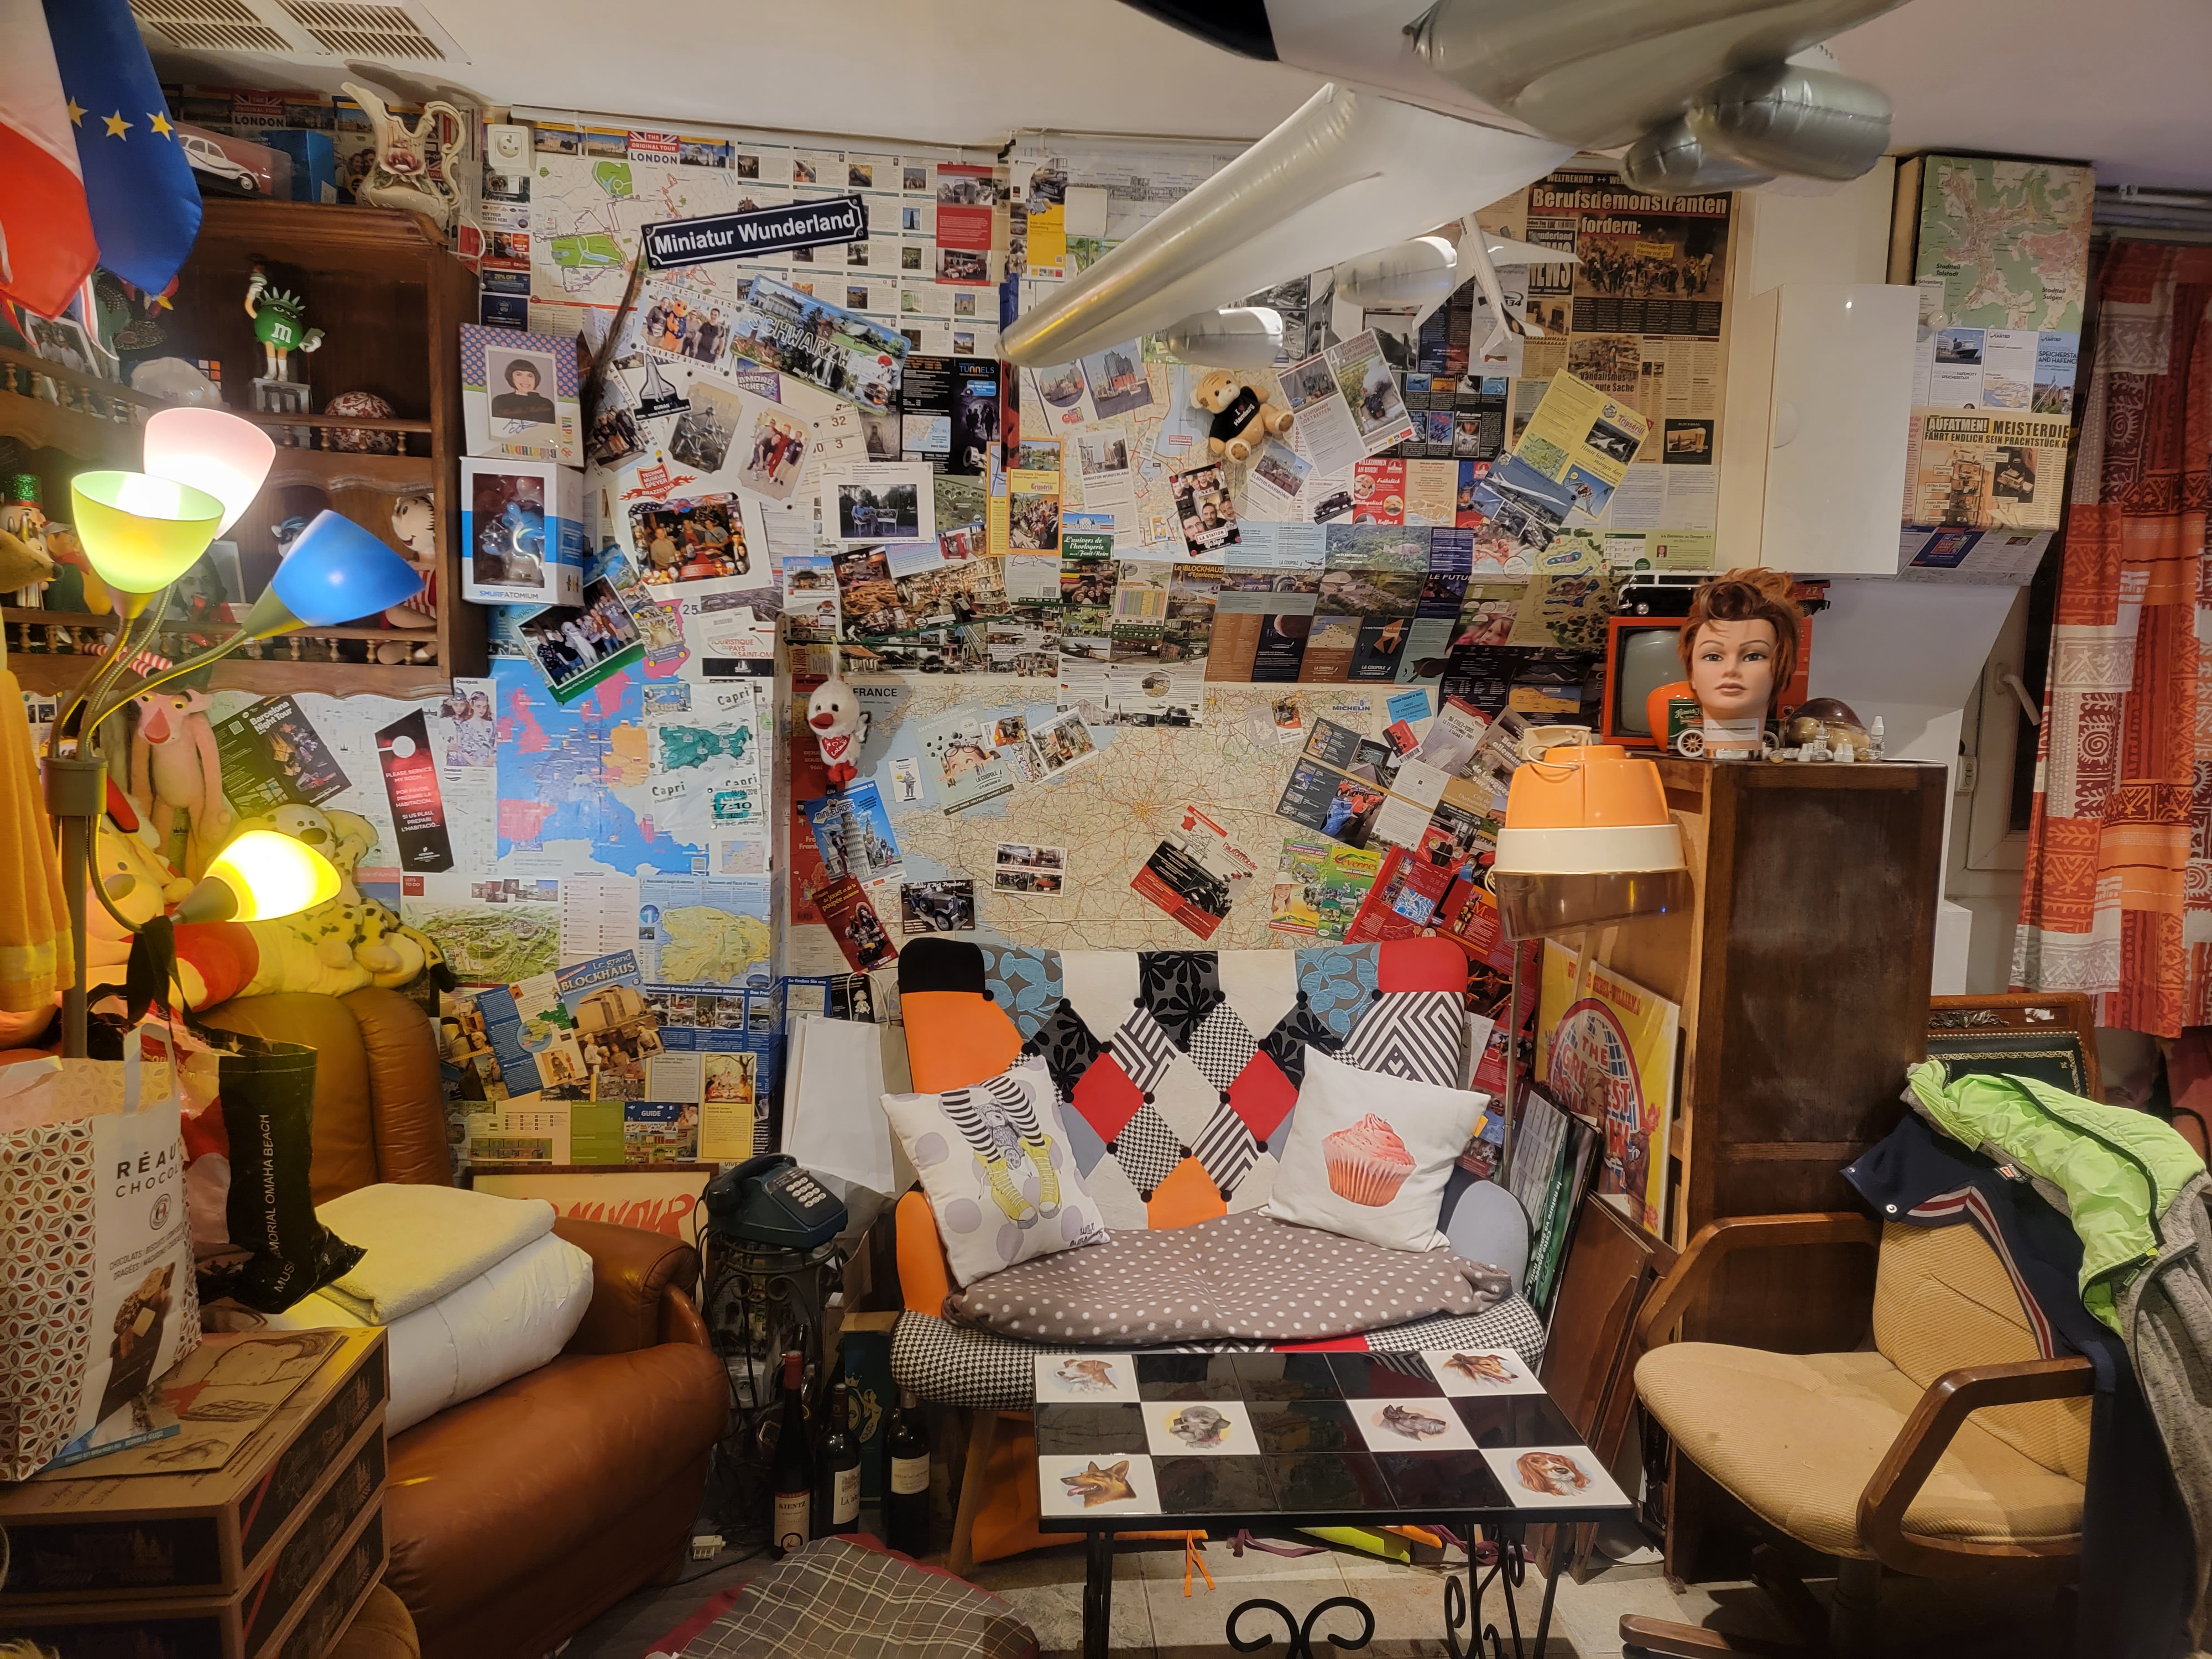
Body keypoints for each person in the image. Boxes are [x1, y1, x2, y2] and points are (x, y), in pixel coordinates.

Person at [491, 358, 557, 425]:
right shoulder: (500, 401)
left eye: (530, 376)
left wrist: (535, 398)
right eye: (519, 375)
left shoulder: (546, 404)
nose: (525, 380)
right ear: (511, 378)